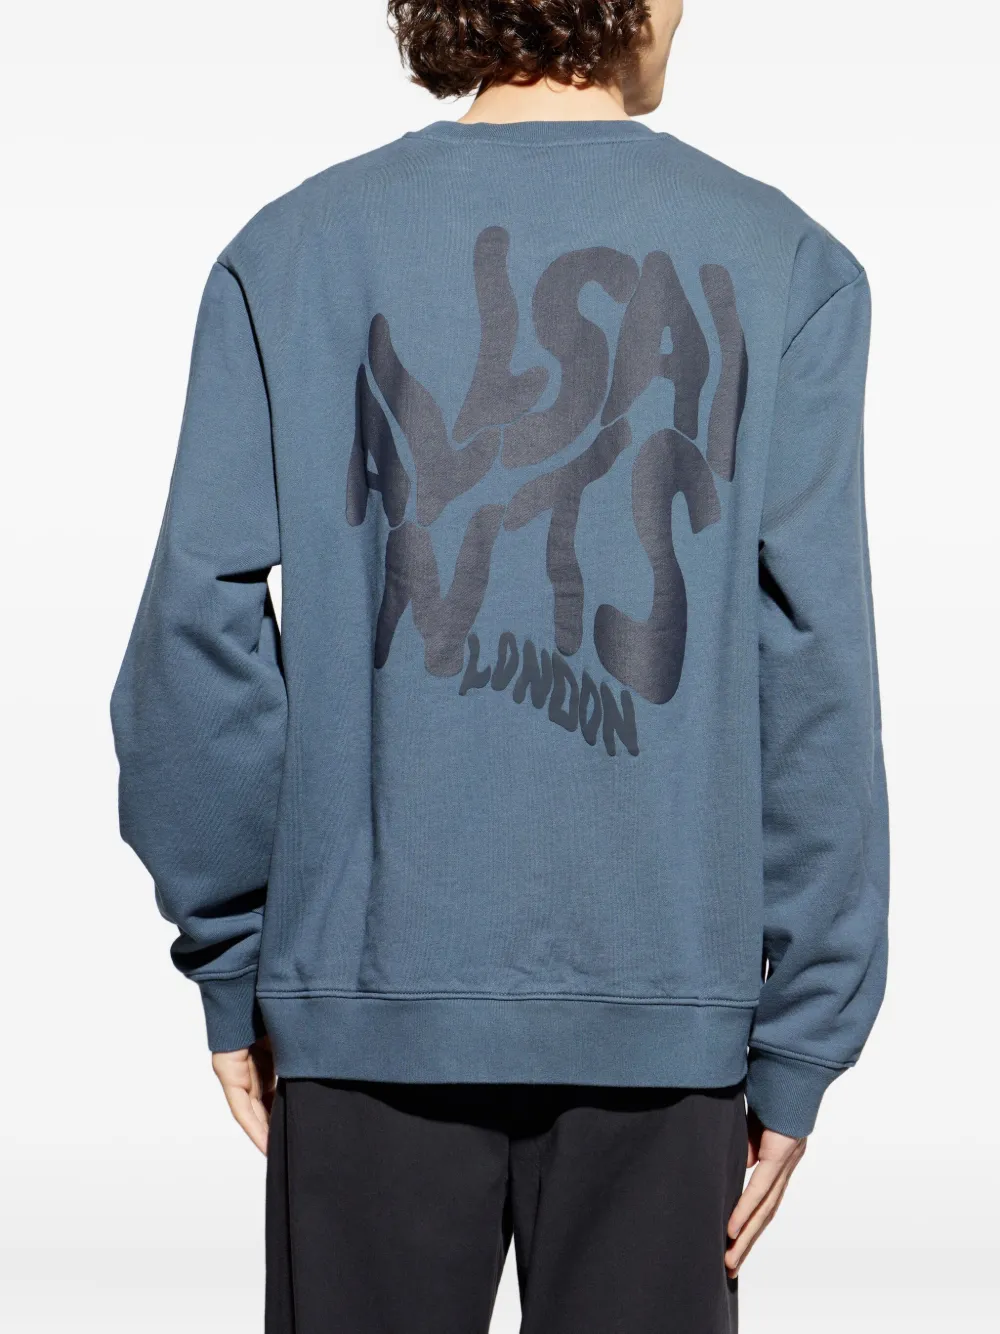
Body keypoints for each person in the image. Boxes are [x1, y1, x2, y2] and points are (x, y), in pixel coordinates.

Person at [110, 2, 889, 1329]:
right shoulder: (788, 263)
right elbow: (813, 669)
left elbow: (197, 633)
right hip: (666, 1024)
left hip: (363, 1016)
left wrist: (239, 957)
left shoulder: (291, 252)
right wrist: (802, 1031)